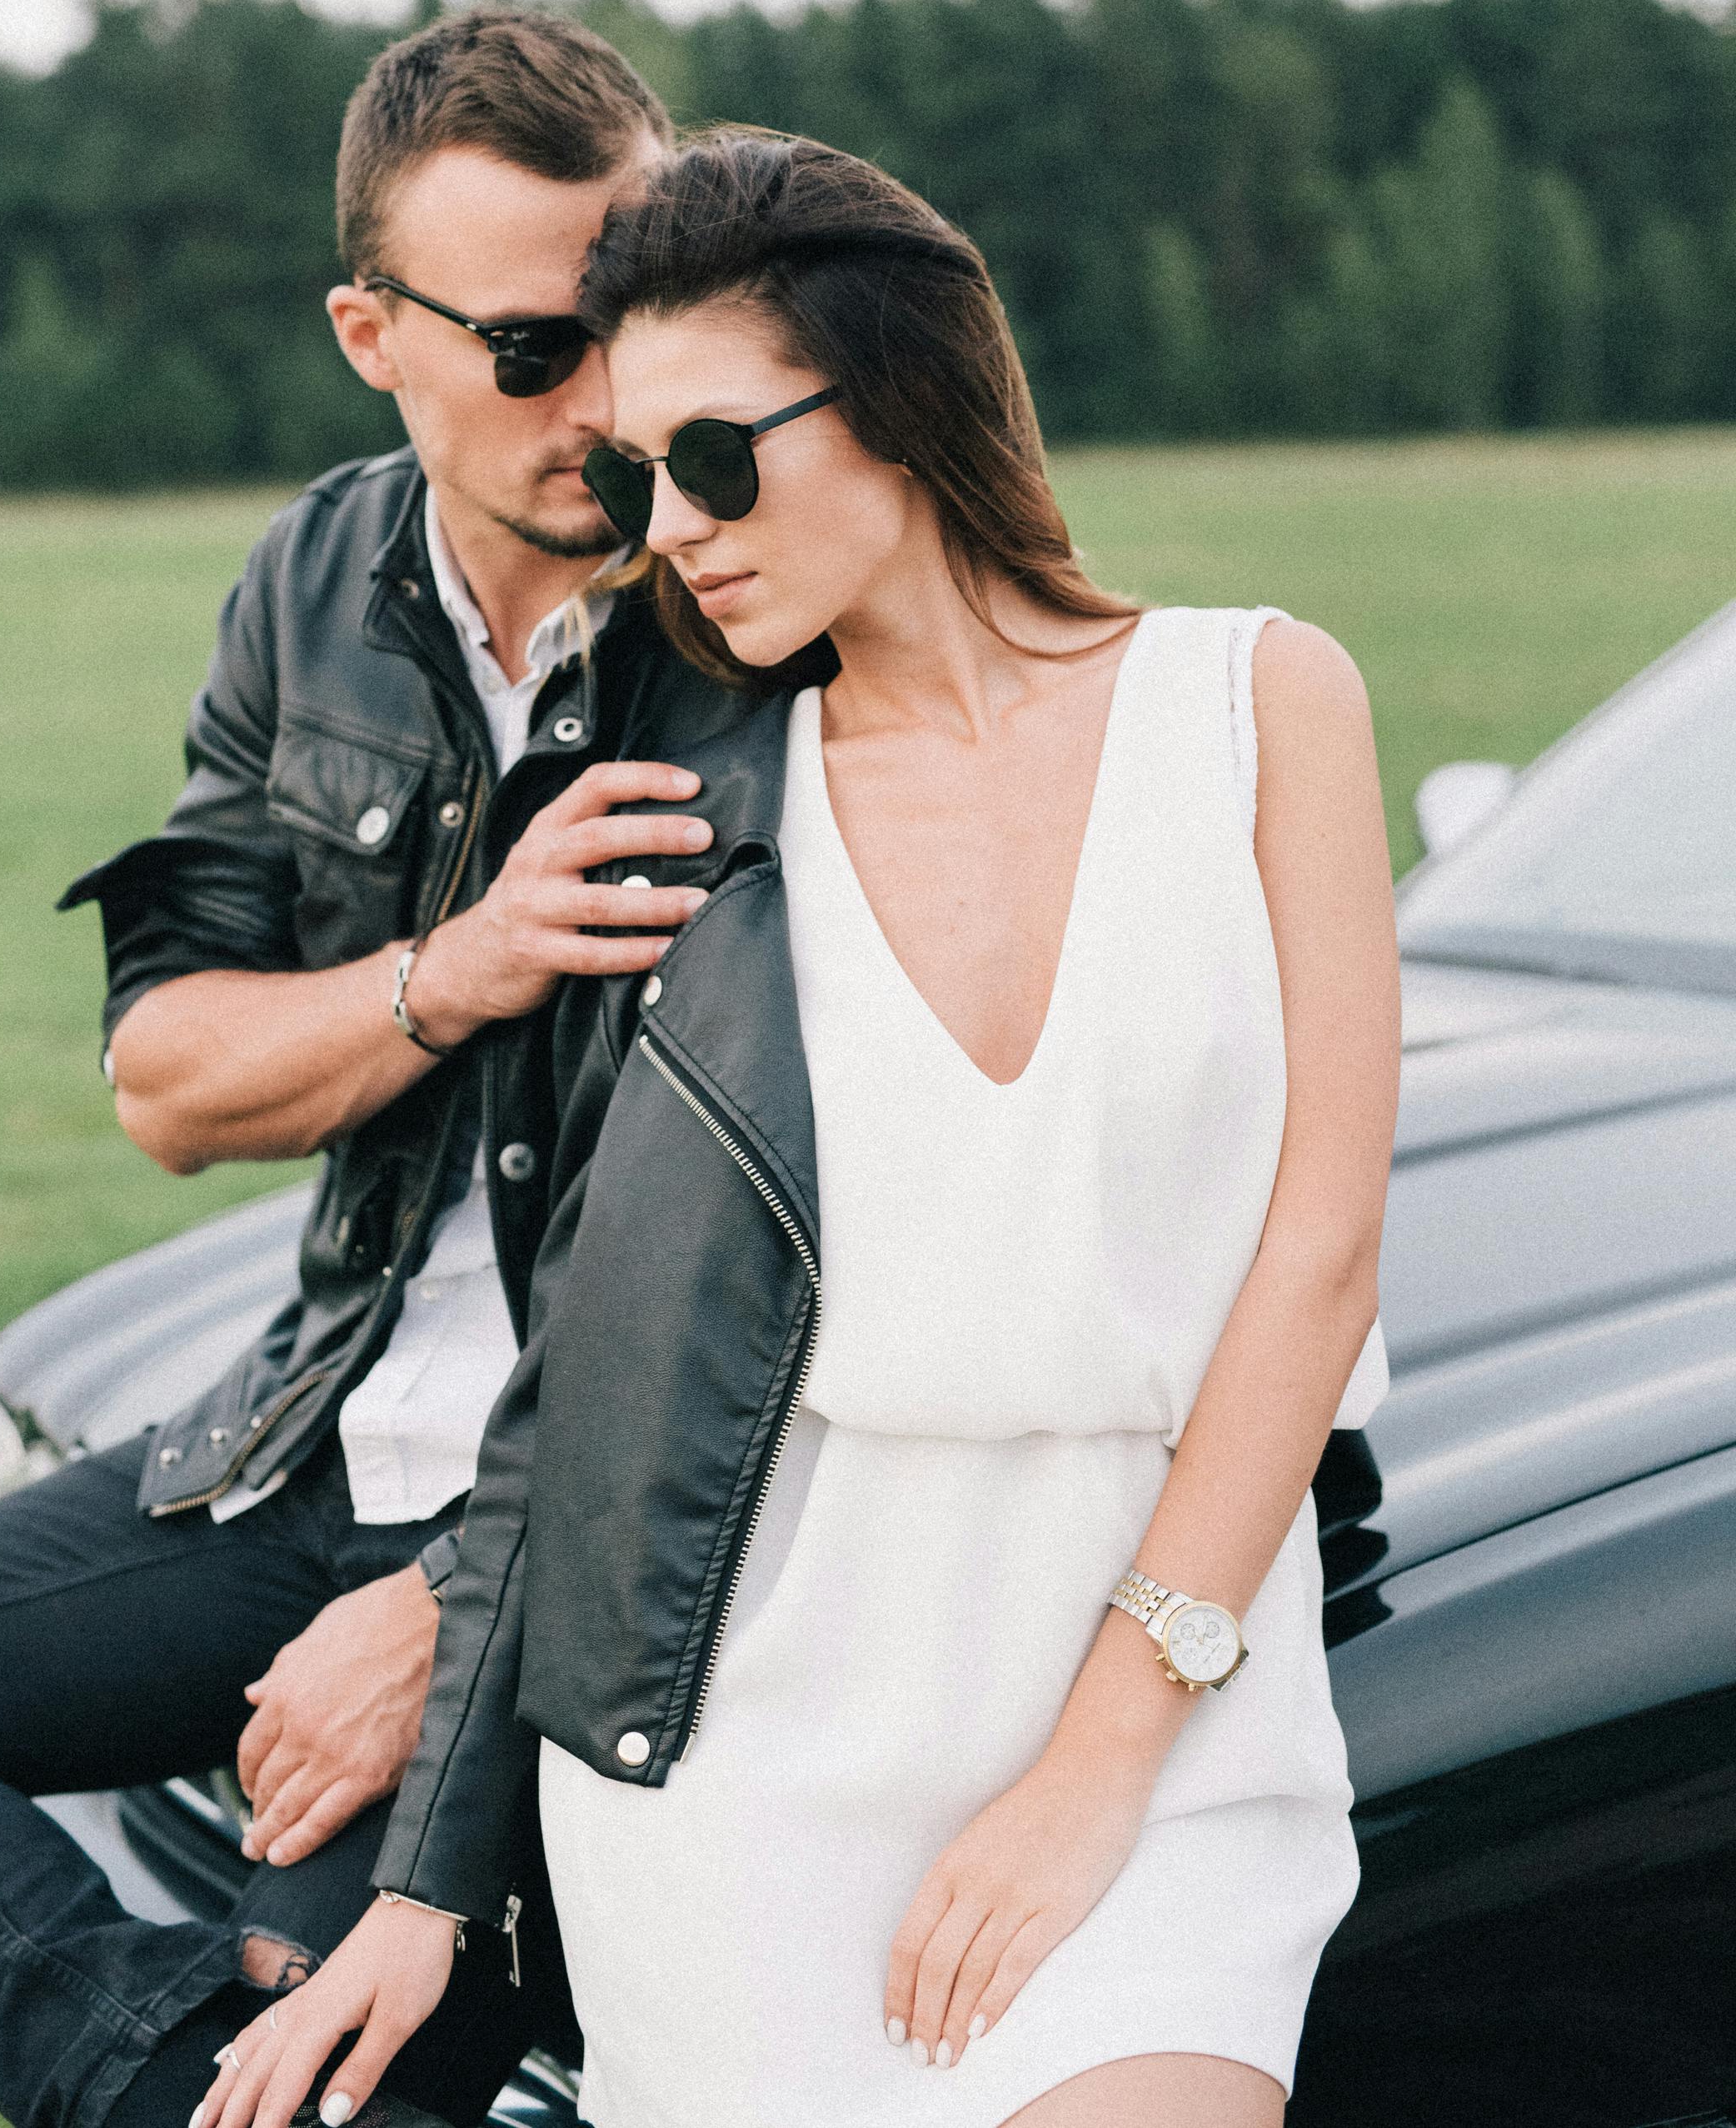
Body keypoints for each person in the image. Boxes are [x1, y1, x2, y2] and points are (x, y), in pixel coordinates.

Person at [193, 130, 1400, 2128]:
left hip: (1164, 1718)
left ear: (902, 396)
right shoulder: (691, 821)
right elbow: (581, 1379)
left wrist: (1099, 1761)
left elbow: (1318, 1257)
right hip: (748, 1767)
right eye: (637, 477)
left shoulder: (1261, 704)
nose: (669, 526)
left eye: (717, 457)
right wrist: (430, 1877)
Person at [0, 8, 744, 2128]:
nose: (604, 400)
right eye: (528, 346)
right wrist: (457, 967)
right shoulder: (315, 578)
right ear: (366, 333)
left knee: (334, 2046)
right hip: (307, 1440)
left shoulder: (759, 611)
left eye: (634, 318)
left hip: (582, 1518)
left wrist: (441, 1608)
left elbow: (793, 1266)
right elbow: (168, 1076)